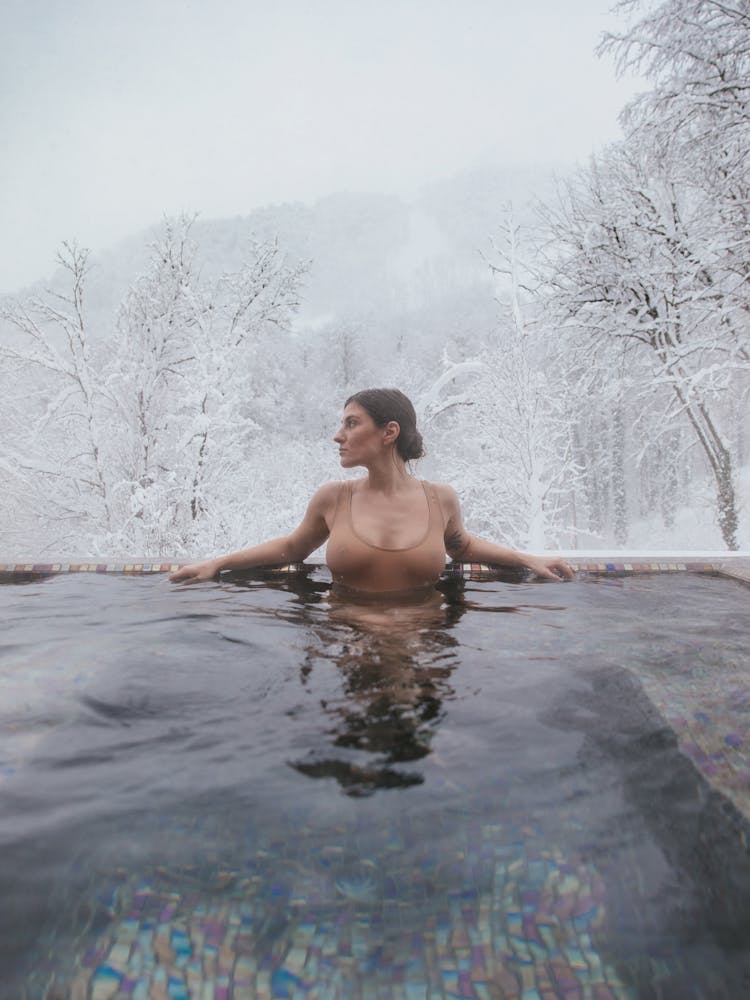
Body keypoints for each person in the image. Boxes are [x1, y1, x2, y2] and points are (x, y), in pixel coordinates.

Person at [169, 388, 574, 591]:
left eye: (350, 423)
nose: (337, 436)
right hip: (347, 643)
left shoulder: (440, 499)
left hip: (425, 647)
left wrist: (528, 559)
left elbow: (463, 547)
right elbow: (292, 549)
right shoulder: (334, 498)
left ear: (389, 432)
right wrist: (217, 564)